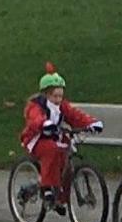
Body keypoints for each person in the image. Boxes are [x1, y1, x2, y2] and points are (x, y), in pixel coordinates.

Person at [17, 68, 99, 213]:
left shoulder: (61, 106)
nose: (58, 100)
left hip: (55, 135)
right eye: (55, 96)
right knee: (51, 150)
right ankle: (47, 188)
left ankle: (61, 198)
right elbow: (35, 118)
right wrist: (45, 124)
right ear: (46, 94)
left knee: (66, 155)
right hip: (37, 138)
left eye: (60, 96)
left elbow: (74, 115)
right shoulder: (36, 105)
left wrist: (90, 123)